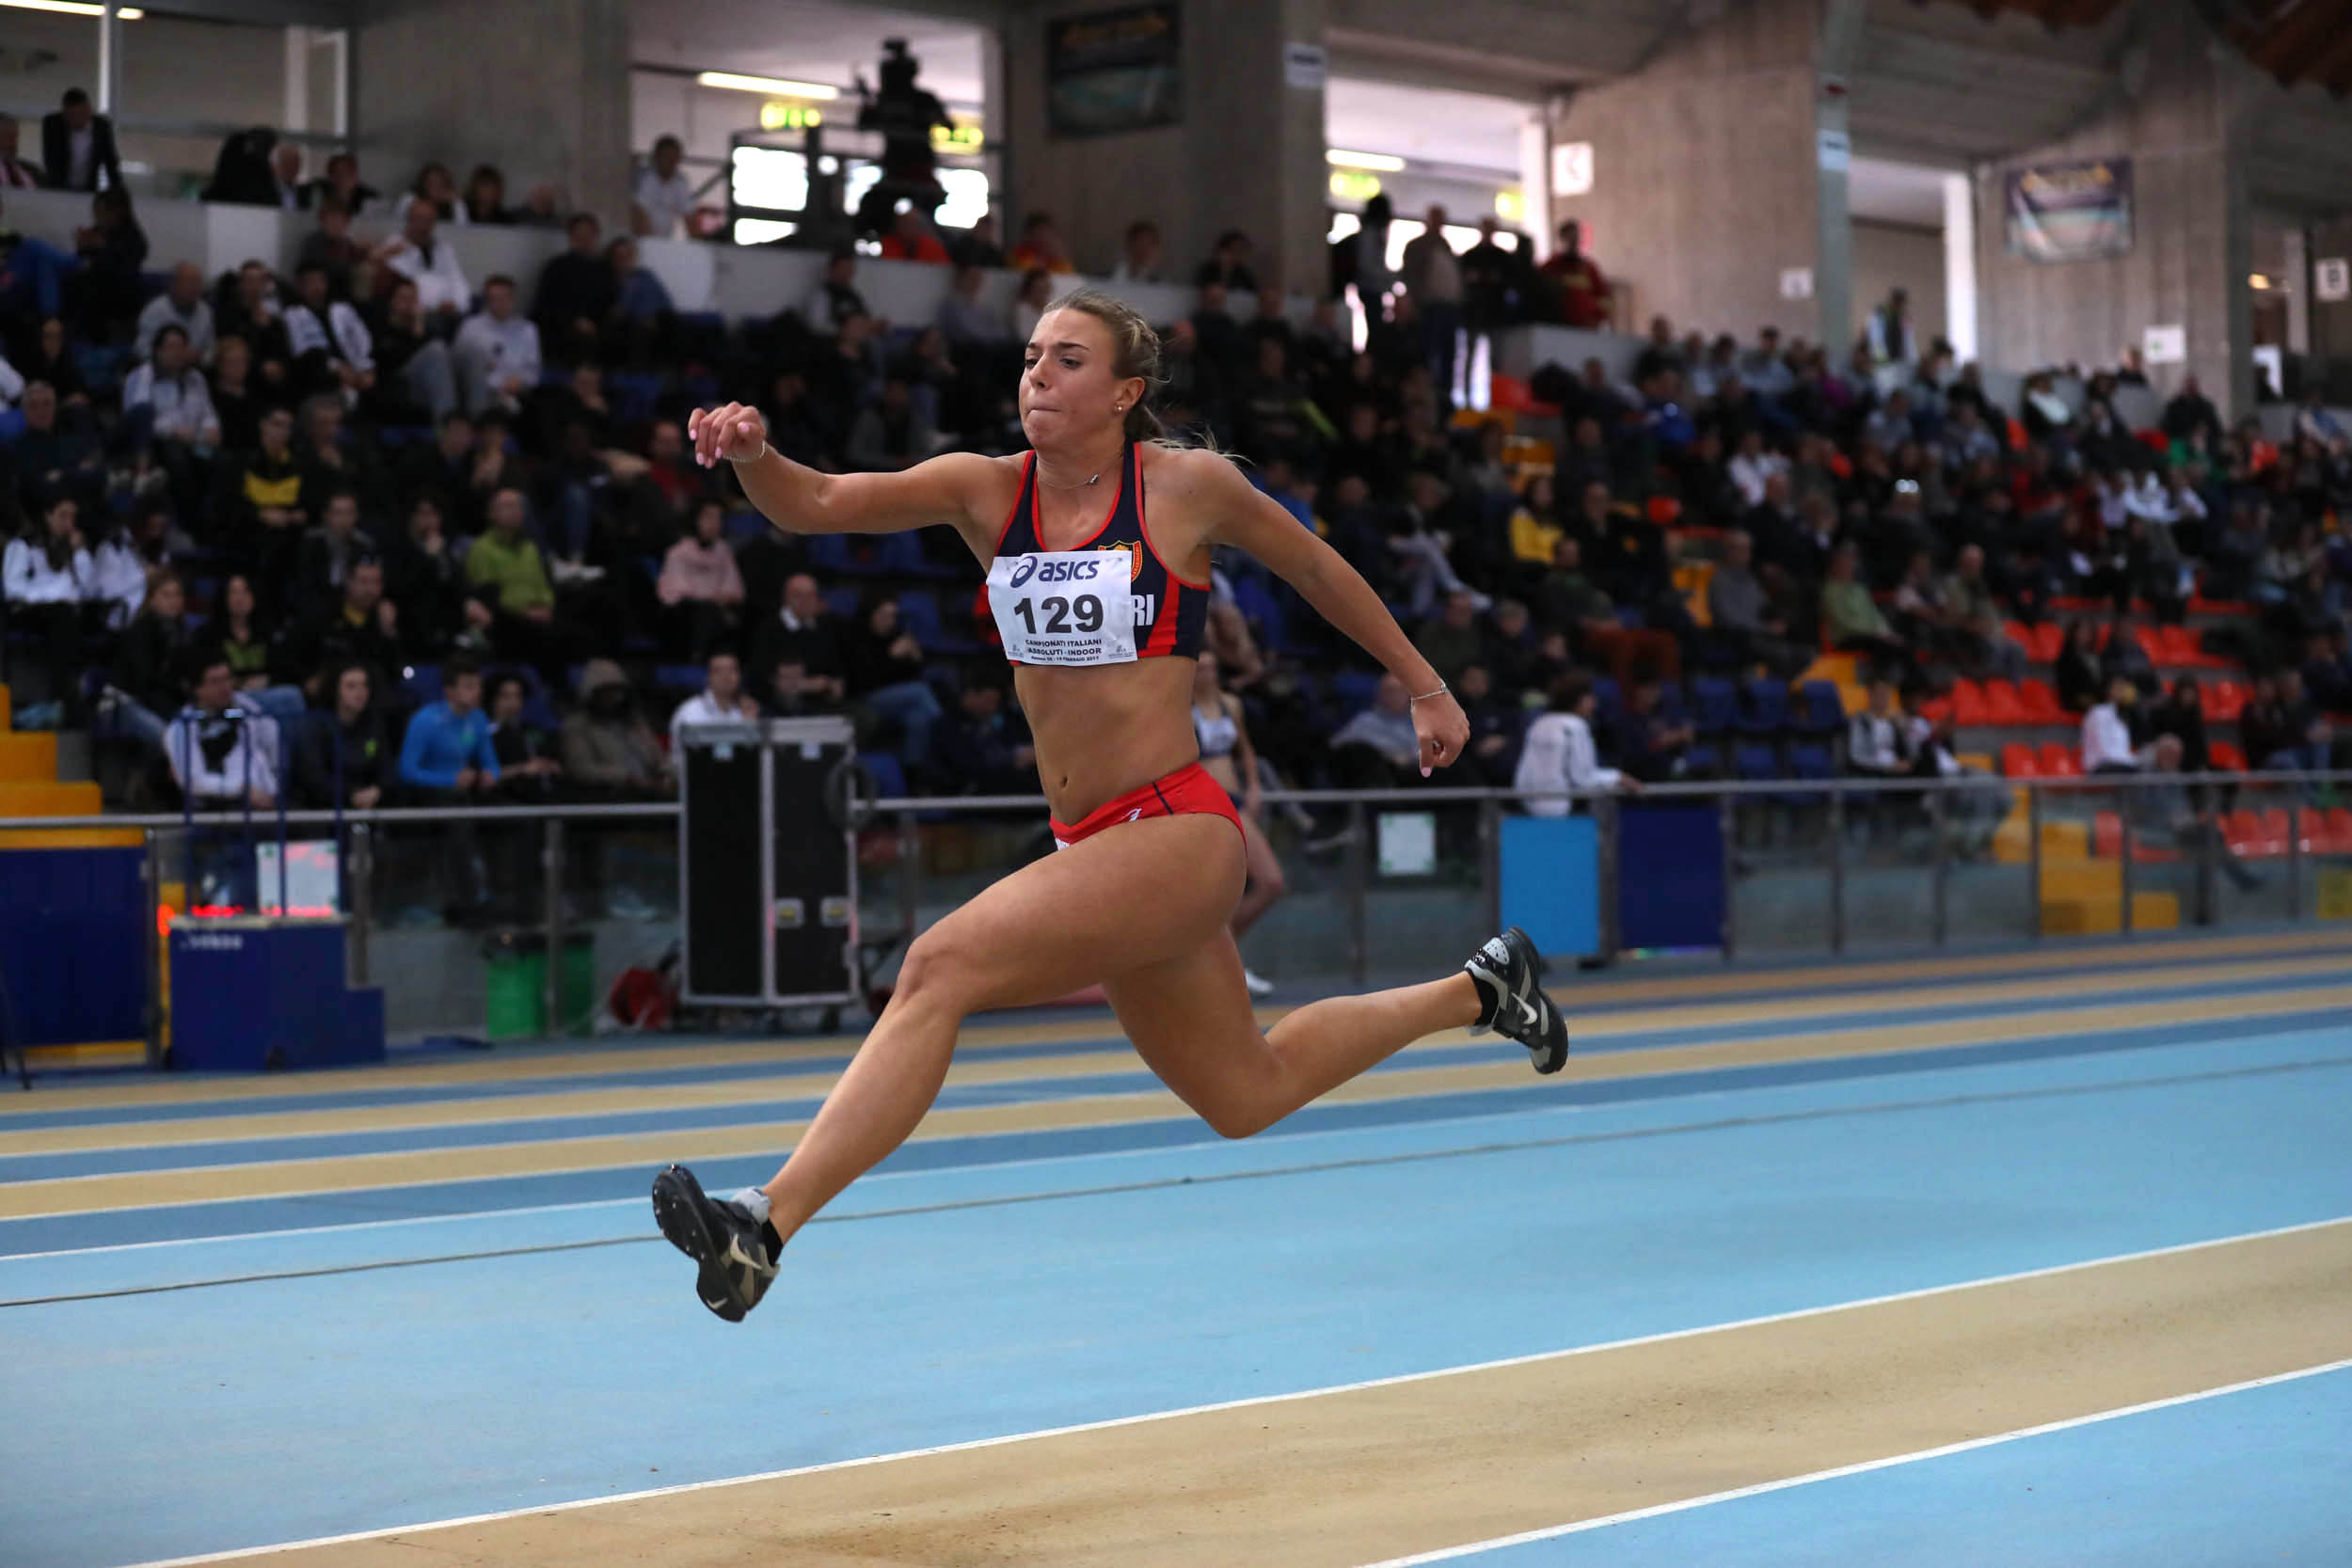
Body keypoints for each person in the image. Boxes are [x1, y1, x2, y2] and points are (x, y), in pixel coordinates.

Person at [652, 286, 1571, 1323]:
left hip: (1177, 829)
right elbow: (816, 501)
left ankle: (763, 1223)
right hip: (1091, 844)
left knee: (937, 967)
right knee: (1246, 1092)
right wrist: (753, 456)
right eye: (1031, 355)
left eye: (1069, 359)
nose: (1038, 374)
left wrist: (1424, 683)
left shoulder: (1184, 488)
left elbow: (1316, 568)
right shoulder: (983, 489)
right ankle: (1483, 989)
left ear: (1126, 392)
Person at [1189, 649, 1286, 996]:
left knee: (1270, 881)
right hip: (1202, 803)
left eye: (1213, 668)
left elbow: (1245, 749)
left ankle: (1216, 958)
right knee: (1214, 889)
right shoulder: (1179, 707)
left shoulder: (1230, 703)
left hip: (1235, 799)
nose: (1208, 674)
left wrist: (1254, 785)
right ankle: (1219, 965)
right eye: (1201, 668)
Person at [395, 655, 500, 918]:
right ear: (450, 691)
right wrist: (449, 780)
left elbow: (491, 762)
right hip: (427, 793)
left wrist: (490, 775)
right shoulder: (425, 720)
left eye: (477, 685)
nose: (476, 692)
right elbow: (407, 770)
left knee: (511, 813)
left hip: (465, 793)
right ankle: (468, 901)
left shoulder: (478, 719)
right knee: (457, 820)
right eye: (468, 686)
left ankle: (509, 895)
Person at [3, 490, 96, 727]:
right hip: (29, 609)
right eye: (63, 515)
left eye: (73, 517)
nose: (69, 523)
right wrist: (50, 597)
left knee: (85, 619)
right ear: (47, 516)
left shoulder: (71, 547)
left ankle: (82, 696)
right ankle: (62, 698)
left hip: (64, 610)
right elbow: (13, 587)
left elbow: (87, 586)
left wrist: (80, 552)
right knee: (62, 617)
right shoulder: (25, 544)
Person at [840, 594, 943, 773]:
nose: (889, 620)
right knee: (921, 693)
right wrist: (890, 657)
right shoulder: (855, 638)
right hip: (864, 699)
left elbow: (912, 677)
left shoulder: (897, 636)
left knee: (917, 718)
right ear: (871, 614)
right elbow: (862, 680)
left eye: (892, 616)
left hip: (897, 702)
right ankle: (946, 735)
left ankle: (912, 773)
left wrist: (915, 658)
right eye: (883, 615)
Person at [1515, 673, 1637, 816]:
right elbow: (1582, 777)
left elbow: (1522, 775)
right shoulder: (1575, 726)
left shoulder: (1539, 723)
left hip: (1529, 807)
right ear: (1578, 700)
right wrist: (1617, 778)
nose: (1595, 704)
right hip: (1562, 811)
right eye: (1590, 698)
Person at [294, 661, 390, 810]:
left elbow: (386, 767)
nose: (360, 692)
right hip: (324, 809)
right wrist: (351, 795)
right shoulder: (315, 725)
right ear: (335, 690)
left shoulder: (374, 725)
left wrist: (378, 790)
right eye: (351, 686)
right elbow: (313, 776)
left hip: (369, 804)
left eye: (365, 685)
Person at [656, 499, 746, 658]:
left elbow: (734, 589)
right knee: (704, 613)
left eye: (719, 518)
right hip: (684, 614)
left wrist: (719, 599)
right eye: (709, 517)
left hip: (716, 612)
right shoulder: (678, 551)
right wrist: (709, 599)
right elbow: (673, 593)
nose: (714, 524)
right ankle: (696, 658)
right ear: (695, 519)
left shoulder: (723, 551)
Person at [452, 275, 542, 415]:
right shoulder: (471, 327)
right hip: (480, 390)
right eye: (494, 298)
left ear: (513, 299)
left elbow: (533, 372)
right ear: (487, 300)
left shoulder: (527, 330)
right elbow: (457, 365)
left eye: (504, 298)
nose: (499, 303)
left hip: (515, 393)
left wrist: (520, 381)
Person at [669, 648, 761, 749]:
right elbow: (680, 754)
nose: (726, 676)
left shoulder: (747, 711)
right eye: (718, 671)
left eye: (732, 670)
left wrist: (749, 723)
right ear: (708, 677)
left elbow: (754, 754)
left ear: (739, 676)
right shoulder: (689, 712)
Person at [40, 88, 119, 194]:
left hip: (89, 189)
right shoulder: (53, 124)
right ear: (64, 113)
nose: (76, 119)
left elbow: (110, 161)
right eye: (71, 116)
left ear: (89, 110)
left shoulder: (101, 127)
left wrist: (117, 190)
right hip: (59, 188)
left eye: (80, 114)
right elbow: (50, 159)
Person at [1541, 220, 1610, 329]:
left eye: (1576, 239)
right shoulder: (1550, 268)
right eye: (1570, 239)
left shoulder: (1590, 268)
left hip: (1586, 329)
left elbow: (1603, 299)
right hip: (1557, 328)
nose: (1574, 243)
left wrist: (1596, 319)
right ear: (1561, 239)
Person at [632, 135, 695, 239]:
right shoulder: (646, 178)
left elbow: (689, 216)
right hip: (640, 238)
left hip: (664, 239)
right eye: (667, 157)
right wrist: (649, 241)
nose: (671, 162)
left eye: (675, 159)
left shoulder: (680, 182)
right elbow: (639, 212)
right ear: (657, 157)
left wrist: (697, 244)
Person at [2081, 673, 2144, 774]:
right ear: (2109, 690)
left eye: (2123, 687)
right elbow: (2104, 749)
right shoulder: (2098, 712)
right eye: (2118, 687)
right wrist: (2129, 760)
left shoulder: (2122, 716)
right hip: (2100, 766)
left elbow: (2123, 750)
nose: (2122, 691)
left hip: (2119, 764)